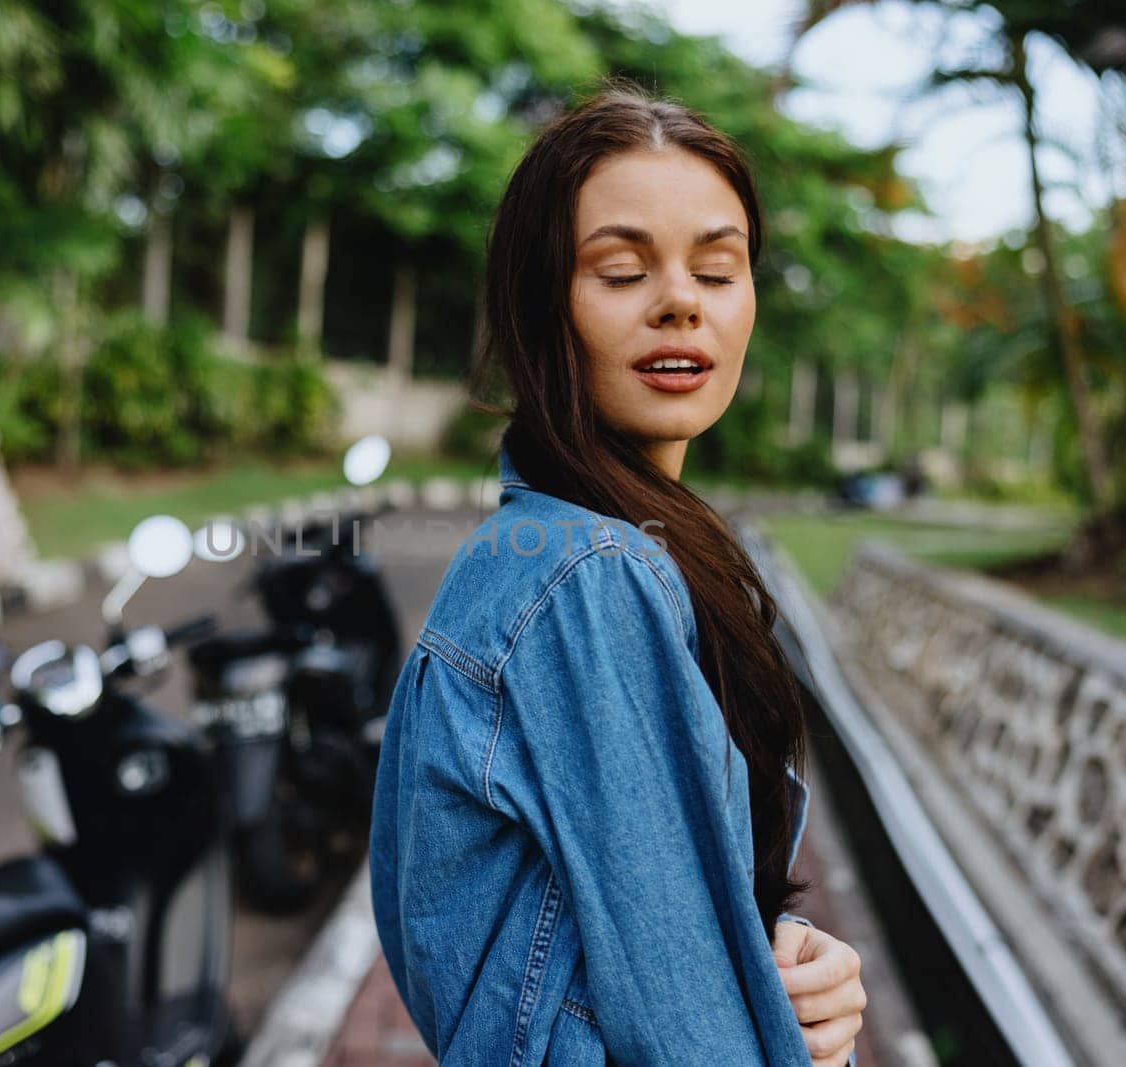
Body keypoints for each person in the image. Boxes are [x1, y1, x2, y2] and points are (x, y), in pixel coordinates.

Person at [368, 81, 867, 1066]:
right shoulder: (591, 577)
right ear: (541, 300)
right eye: (620, 268)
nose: (680, 300)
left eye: (717, 270)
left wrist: (788, 973)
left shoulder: (571, 553)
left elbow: (638, 957)